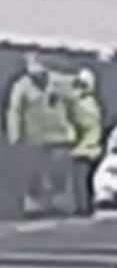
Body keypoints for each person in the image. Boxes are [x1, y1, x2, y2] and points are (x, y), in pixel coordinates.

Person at [6, 52, 78, 212]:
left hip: (59, 136)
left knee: (59, 172)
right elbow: (14, 111)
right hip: (34, 138)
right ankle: (35, 204)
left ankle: (60, 203)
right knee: (35, 174)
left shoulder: (58, 82)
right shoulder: (21, 86)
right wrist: (15, 134)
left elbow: (76, 89)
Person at [68, 68, 103, 216]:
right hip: (93, 146)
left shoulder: (81, 103)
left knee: (81, 179)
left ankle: (84, 207)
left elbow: (77, 123)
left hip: (84, 147)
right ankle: (88, 205)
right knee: (88, 179)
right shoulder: (93, 103)